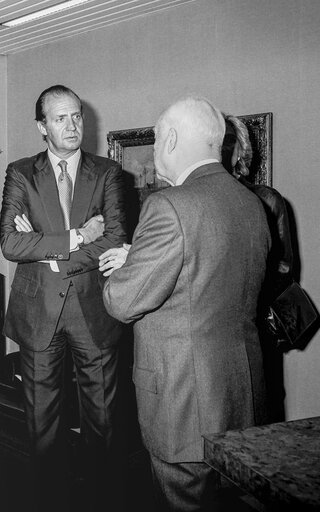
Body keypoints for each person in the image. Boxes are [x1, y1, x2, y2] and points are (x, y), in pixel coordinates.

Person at [100, 96, 270, 511]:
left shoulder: (169, 204)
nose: (156, 150)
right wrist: (145, 260)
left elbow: (122, 302)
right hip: (239, 393)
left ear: (171, 138)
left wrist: (129, 265)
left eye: (156, 140)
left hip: (184, 404)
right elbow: (208, 277)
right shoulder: (251, 203)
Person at [0, 84, 127, 511]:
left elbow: (114, 239)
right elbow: (11, 244)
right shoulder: (20, 172)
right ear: (41, 126)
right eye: (60, 118)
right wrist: (76, 236)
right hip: (38, 313)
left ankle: (100, 498)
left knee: (104, 421)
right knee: (41, 423)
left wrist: (53, 254)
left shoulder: (108, 173)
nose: (72, 126)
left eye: (76, 116)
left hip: (95, 311)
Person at [222, 113, 294, 421]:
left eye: (228, 142)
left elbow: (286, 268)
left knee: (263, 408)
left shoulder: (267, 199)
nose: (222, 150)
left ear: (241, 151)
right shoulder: (193, 201)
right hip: (214, 331)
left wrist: (247, 299)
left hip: (258, 328)